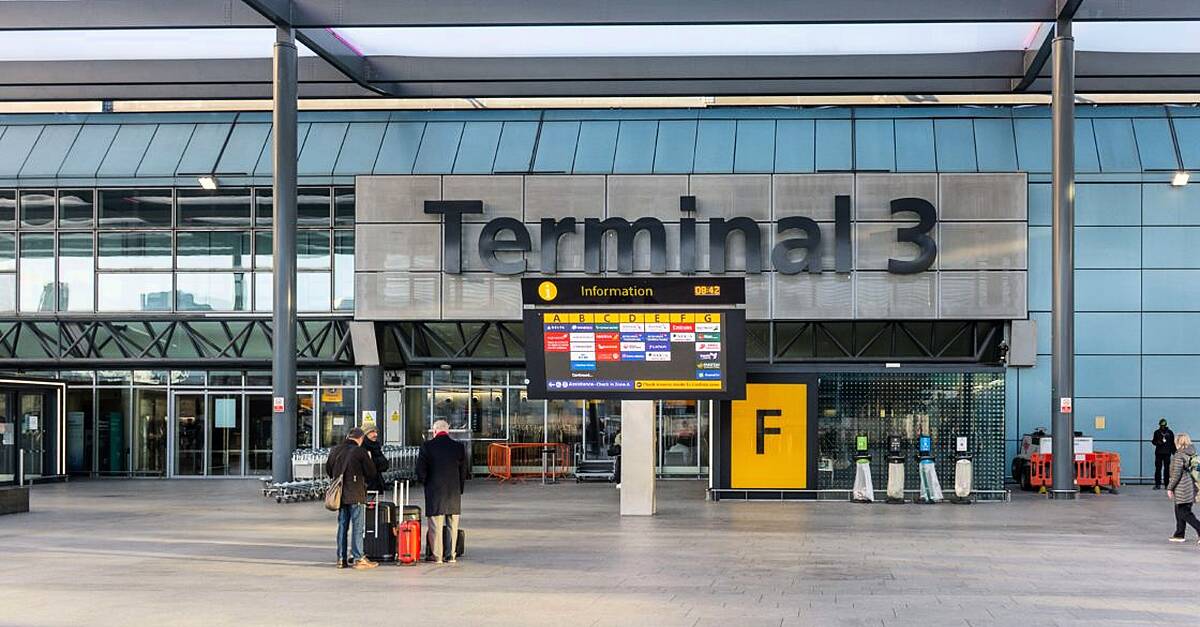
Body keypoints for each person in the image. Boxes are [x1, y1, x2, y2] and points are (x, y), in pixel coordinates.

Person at [325, 427, 378, 569]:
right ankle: (358, 558)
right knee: (357, 527)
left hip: (340, 494)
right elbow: (371, 472)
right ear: (360, 439)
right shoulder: (360, 451)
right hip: (356, 494)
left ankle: (341, 558)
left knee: (342, 525)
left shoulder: (335, 450)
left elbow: (329, 470)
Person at [416, 419, 469, 563]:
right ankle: (451, 555)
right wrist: (460, 488)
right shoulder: (458, 447)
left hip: (435, 491)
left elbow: (421, 470)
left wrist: (424, 482)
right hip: (453, 492)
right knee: (453, 525)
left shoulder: (427, 446)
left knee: (435, 526)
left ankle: (437, 555)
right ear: (448, 431)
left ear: (434, 431)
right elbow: (464, 470)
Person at [1167, 433, 1200, 543]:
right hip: (1191, 485)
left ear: (1178, 442)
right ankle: (1179, 534)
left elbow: (1176, 473)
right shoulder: (1192, 453)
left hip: (1182, 486)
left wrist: (1170, 488)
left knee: (1183, 512)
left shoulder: (1179, 455)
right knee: (1179, 509)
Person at [361, 423, 390, 494]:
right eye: (372, 432)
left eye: (376, 432)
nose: (375, 434)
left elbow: (385, 465)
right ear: (365, 434)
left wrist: (373, 461)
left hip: (375, 482)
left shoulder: (376, 446)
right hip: (365, 484)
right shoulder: (362, 447)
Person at [1152, 419, 1177, 490]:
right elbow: (1153, 441)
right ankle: (1157, 484)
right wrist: (1158, 442)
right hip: (1158, 453)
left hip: (1167, 453)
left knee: (1167, 469)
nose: (1162, 426)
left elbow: (1172, 443)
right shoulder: (1156, 432)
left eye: (1163, 425)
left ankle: (1167, 484)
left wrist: (1175, 452)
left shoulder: (1170, 432)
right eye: (1161, 425)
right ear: (1159, 425)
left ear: (1166, 425)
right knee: (1158, 469)